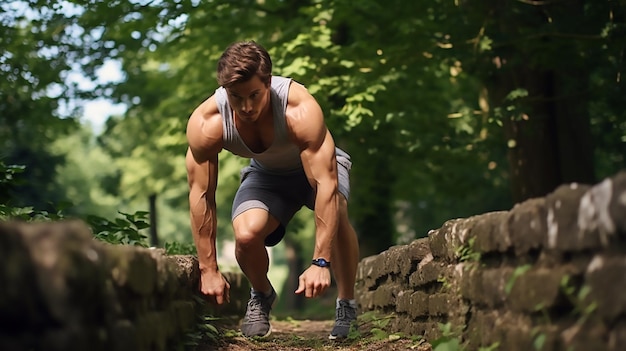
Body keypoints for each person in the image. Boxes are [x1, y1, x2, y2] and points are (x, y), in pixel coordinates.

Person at [185, 41, 360, 339]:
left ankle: (346, 303)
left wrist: (320, 261)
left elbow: (326, 185)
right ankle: (262, 294)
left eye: (254, 95)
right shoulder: (207, 122)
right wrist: (208, 269)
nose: (246, 107)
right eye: (236, 97)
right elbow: (202, 196)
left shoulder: (298, 108)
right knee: (246, 235)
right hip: (266, 175)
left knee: (338, 210)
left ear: (268, 82)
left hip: (318, 172)